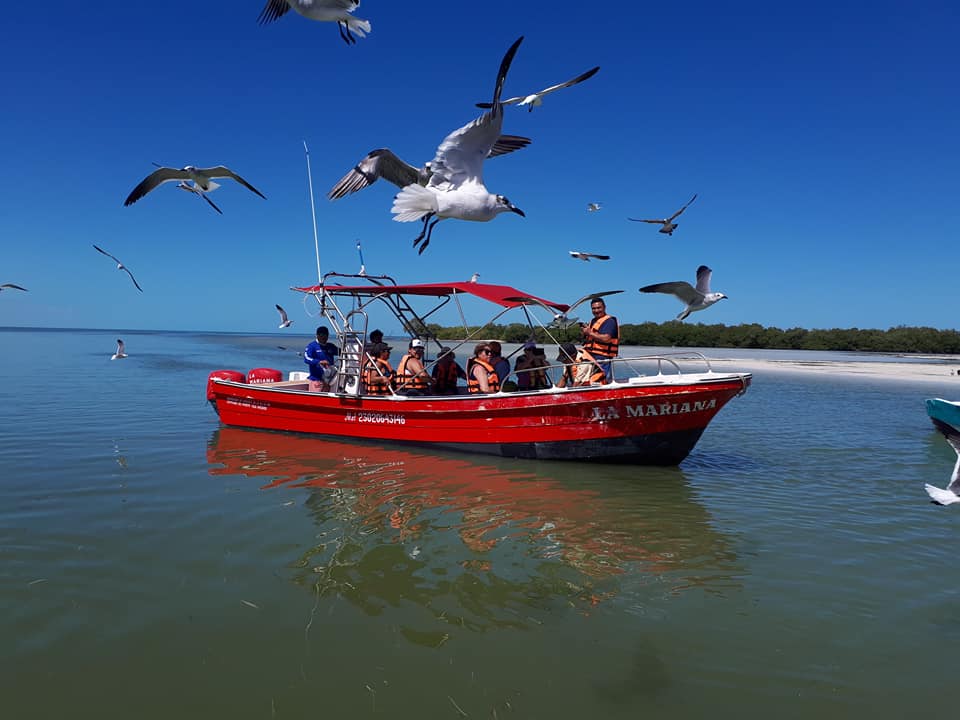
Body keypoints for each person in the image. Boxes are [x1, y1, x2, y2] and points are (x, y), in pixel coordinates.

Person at [580, 297, 619, 383]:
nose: (596, 310)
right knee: (589, 380)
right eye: (594, 308)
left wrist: (590, 333)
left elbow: (607, 338)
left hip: (602, 357)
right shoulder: (593, 321)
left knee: (601, 381)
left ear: (604, 307)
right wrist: (584, 333)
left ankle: (606, 391)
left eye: (599, 308)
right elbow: (591, 338)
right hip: (590, 356)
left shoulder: (610, 321)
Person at [304, 326, 335, 392]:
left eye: (325, 335)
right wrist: (319, 362)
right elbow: (306, 358)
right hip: (316, 380)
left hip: (329, 381)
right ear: (317, 335)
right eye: (321, 335)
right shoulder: (312, 346)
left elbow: (342, 352)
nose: (323, 337)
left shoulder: (330, 346)